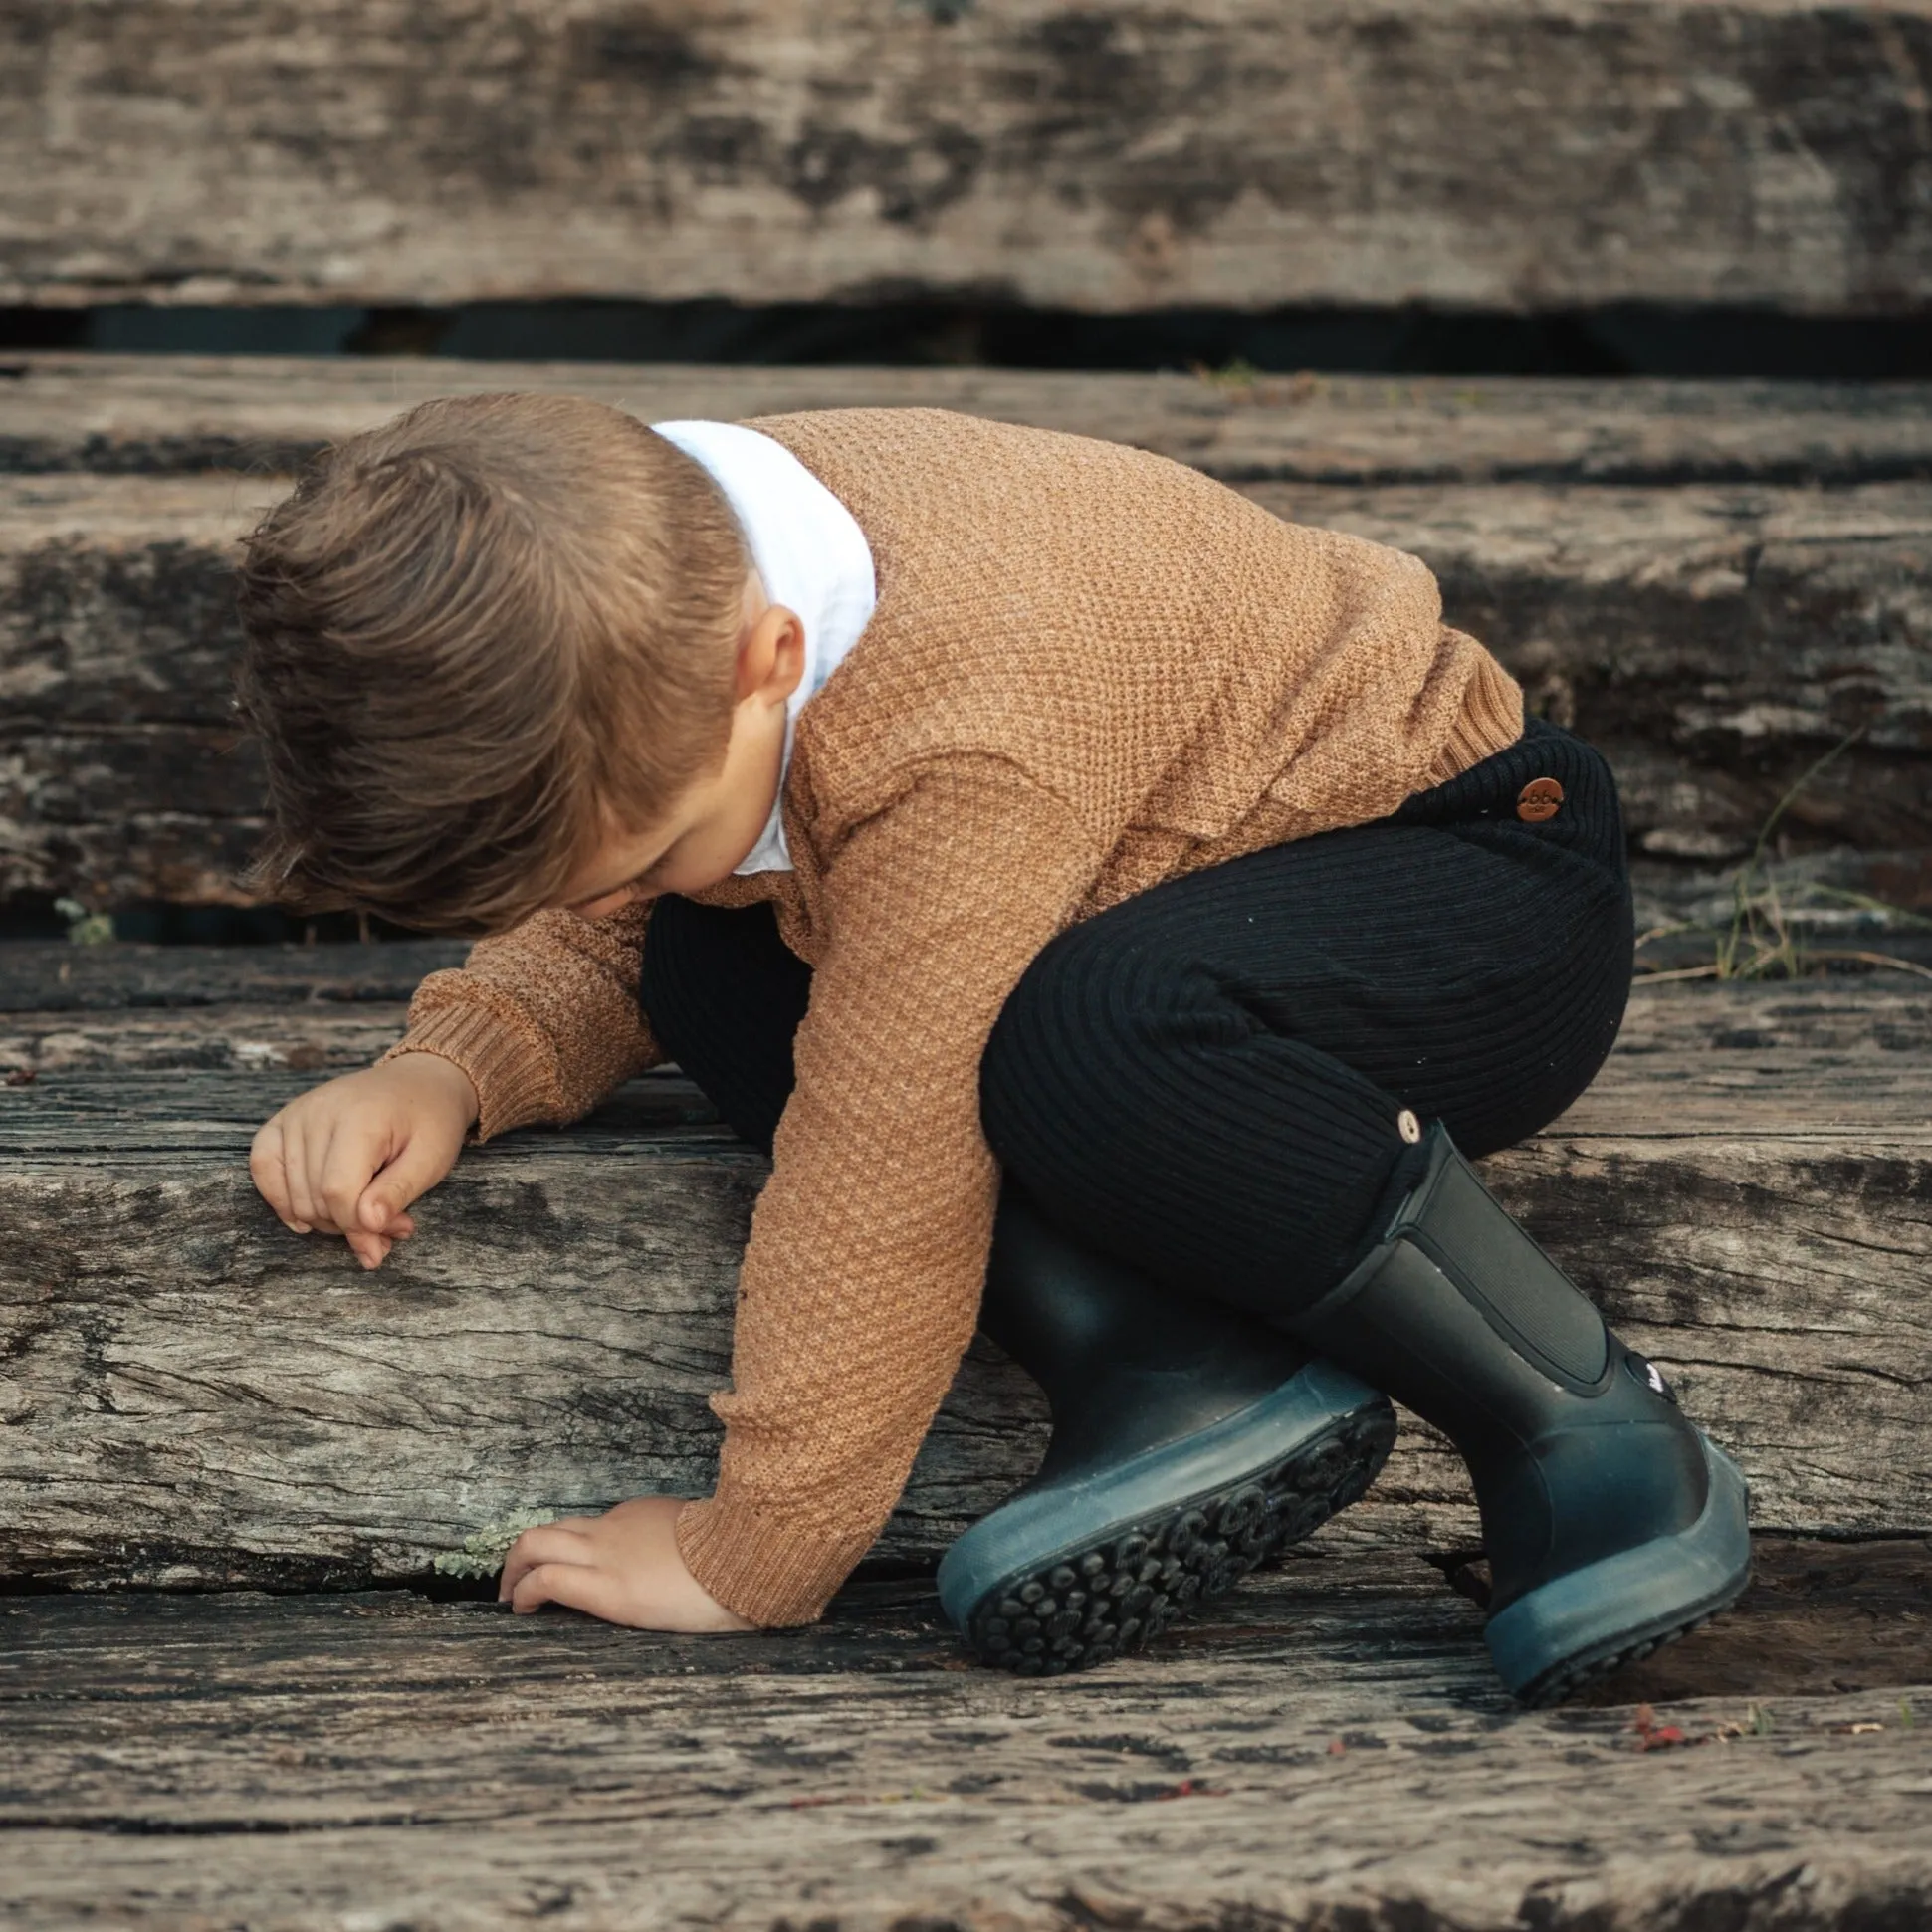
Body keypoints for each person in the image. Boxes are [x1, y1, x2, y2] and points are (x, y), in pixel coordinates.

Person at [238, 395, 1749, 1699]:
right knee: (706, 945)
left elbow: (887, 1152)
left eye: (649, 847)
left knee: (1087, 1037)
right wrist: (455, 1062)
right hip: (1159, 902)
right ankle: (1175, 1368)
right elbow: (620, 894)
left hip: (1466, 889)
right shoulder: (652, 574)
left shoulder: (956, 714)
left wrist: (757, 1544)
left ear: (766, 657)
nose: (615, 903)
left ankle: (1585, 1425)